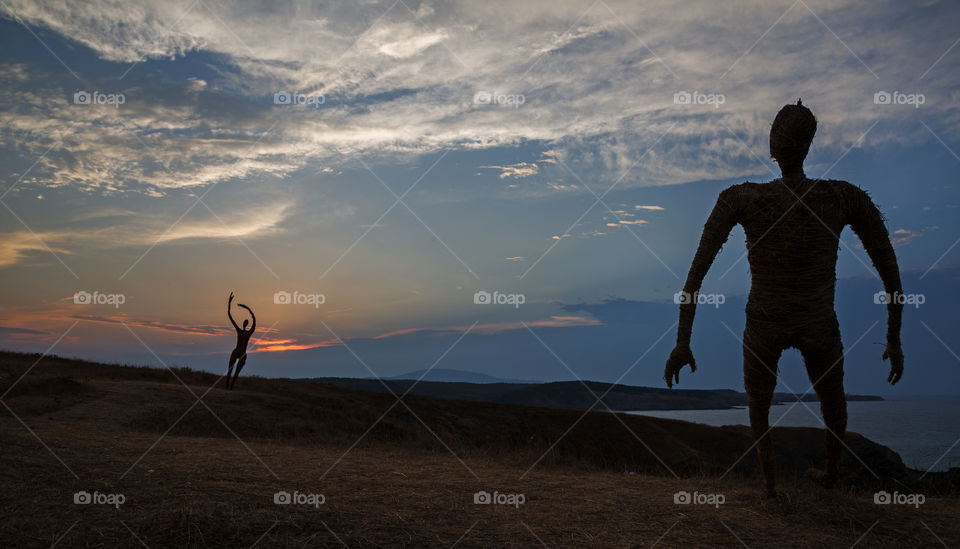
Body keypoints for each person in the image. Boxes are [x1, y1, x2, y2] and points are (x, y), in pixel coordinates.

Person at [663, 100, 904, 497]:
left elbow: (695, 276)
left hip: (766, 322)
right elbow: (890, 273)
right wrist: (894, 336)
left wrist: (682, 341)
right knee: (833, 406)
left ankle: (771, 485)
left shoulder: (741, 198)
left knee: (760, 407)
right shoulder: (842, 197)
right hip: (815, 322)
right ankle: (827, 477)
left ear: (772, 146)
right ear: (808, 145)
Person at [226, 291, 256, 389]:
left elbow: (254, 321)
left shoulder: (247, 332)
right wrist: (229, 303)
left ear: (246, 324)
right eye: (245, 322)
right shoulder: (242, 331)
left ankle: (231, 386)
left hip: (242, 353)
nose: (245, 323)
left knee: (235, 372)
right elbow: (230, 316)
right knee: (230, 370)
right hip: (238, 352)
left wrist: (248, 309)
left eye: (246, 322)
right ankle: (227, 385)